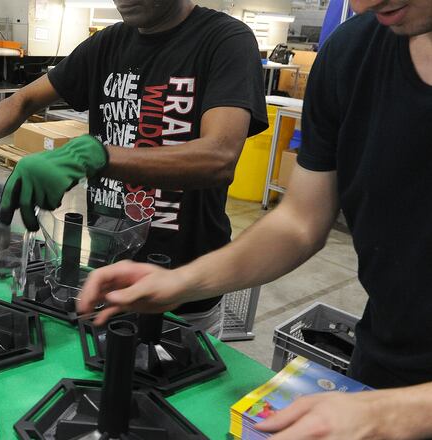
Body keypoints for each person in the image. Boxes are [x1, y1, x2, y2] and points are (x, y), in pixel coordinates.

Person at [78, 0, 432, 437]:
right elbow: (299, 222)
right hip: (380, 371)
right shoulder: (352, 53)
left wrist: (403, 412)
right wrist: (183, 282)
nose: (362, 3)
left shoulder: (223, 39)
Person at [0, 0, 268, 334]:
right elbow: (24, 99)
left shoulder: (224, 40)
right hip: (105, 281)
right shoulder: (107, 45)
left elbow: (219, 156)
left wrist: (94, 156)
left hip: (183, 295)